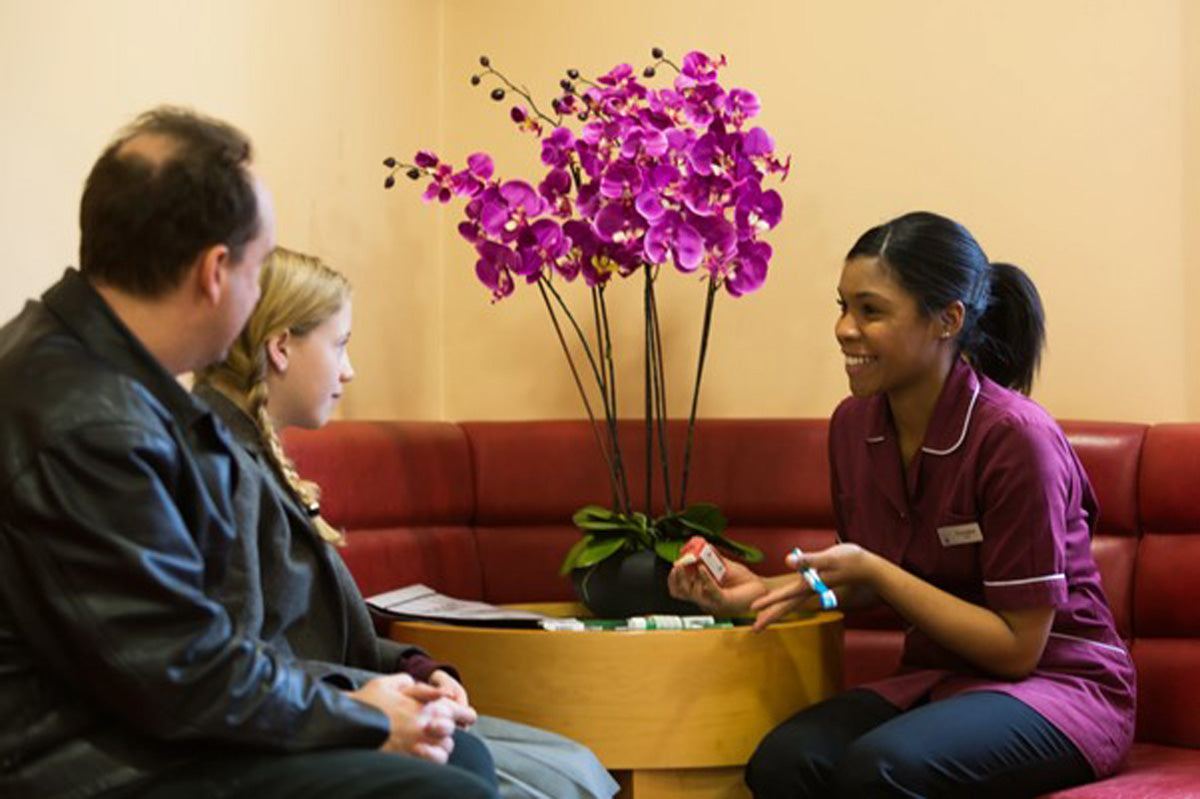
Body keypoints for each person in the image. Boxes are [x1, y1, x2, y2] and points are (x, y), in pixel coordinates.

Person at [0, 107, 498, 799]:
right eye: (259, 269)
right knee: (448, 786)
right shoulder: (90, 420)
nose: (258, 293)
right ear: (214, 272)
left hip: (126, 722)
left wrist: (371, 701)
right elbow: (177, 671)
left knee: (458, 760)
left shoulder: (85, 371)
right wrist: (354, 714)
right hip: (82, 759)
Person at [668, 211, 1135, 798]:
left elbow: (1018, 648)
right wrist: (755, 593)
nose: (844, 329)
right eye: (841, 306)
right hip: (939, 680)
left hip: (1060, 687)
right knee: (785, 762)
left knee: (880, 768)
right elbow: (873, 578)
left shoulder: (1017, 438)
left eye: (871, 310)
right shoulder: (853, 427)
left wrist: (872, 569)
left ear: (947, 320)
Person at [193, 246, 619, 799]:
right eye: (340, 344)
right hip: (304, 728)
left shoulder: (256, 457)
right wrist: (376, 699)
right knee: (538, 782)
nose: (350, 369)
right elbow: (245, 664)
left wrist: (417, 669)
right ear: (280, 348)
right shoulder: (222, 467)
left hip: (344, 703)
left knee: (575, 766)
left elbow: (327, 637)